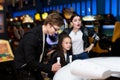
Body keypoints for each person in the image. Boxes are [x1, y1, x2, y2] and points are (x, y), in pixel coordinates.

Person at [13, 12, 64, 80]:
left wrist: (46, 54)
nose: (56, 32)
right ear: (49, 25)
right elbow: (30, 61)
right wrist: (50, 68)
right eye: (56, 29)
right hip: (23, 69)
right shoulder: (32, 36)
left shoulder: (44, 33)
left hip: (33, 68)